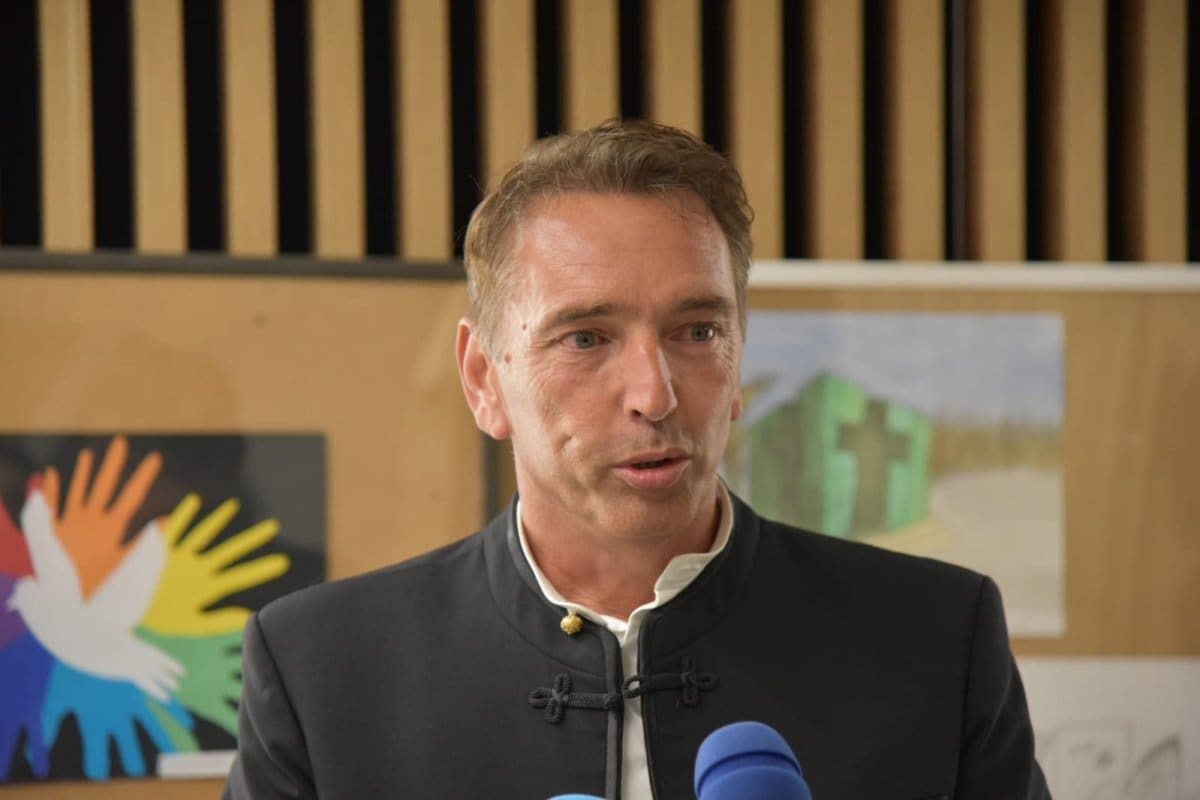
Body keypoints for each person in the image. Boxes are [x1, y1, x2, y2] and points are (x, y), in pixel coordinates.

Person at [224, 120, 1050, 799]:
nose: (654, 395)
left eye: (698, 331)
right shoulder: (321, 669)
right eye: (586, 338)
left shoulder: (936, 639)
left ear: (738, 360)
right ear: (484, 379)